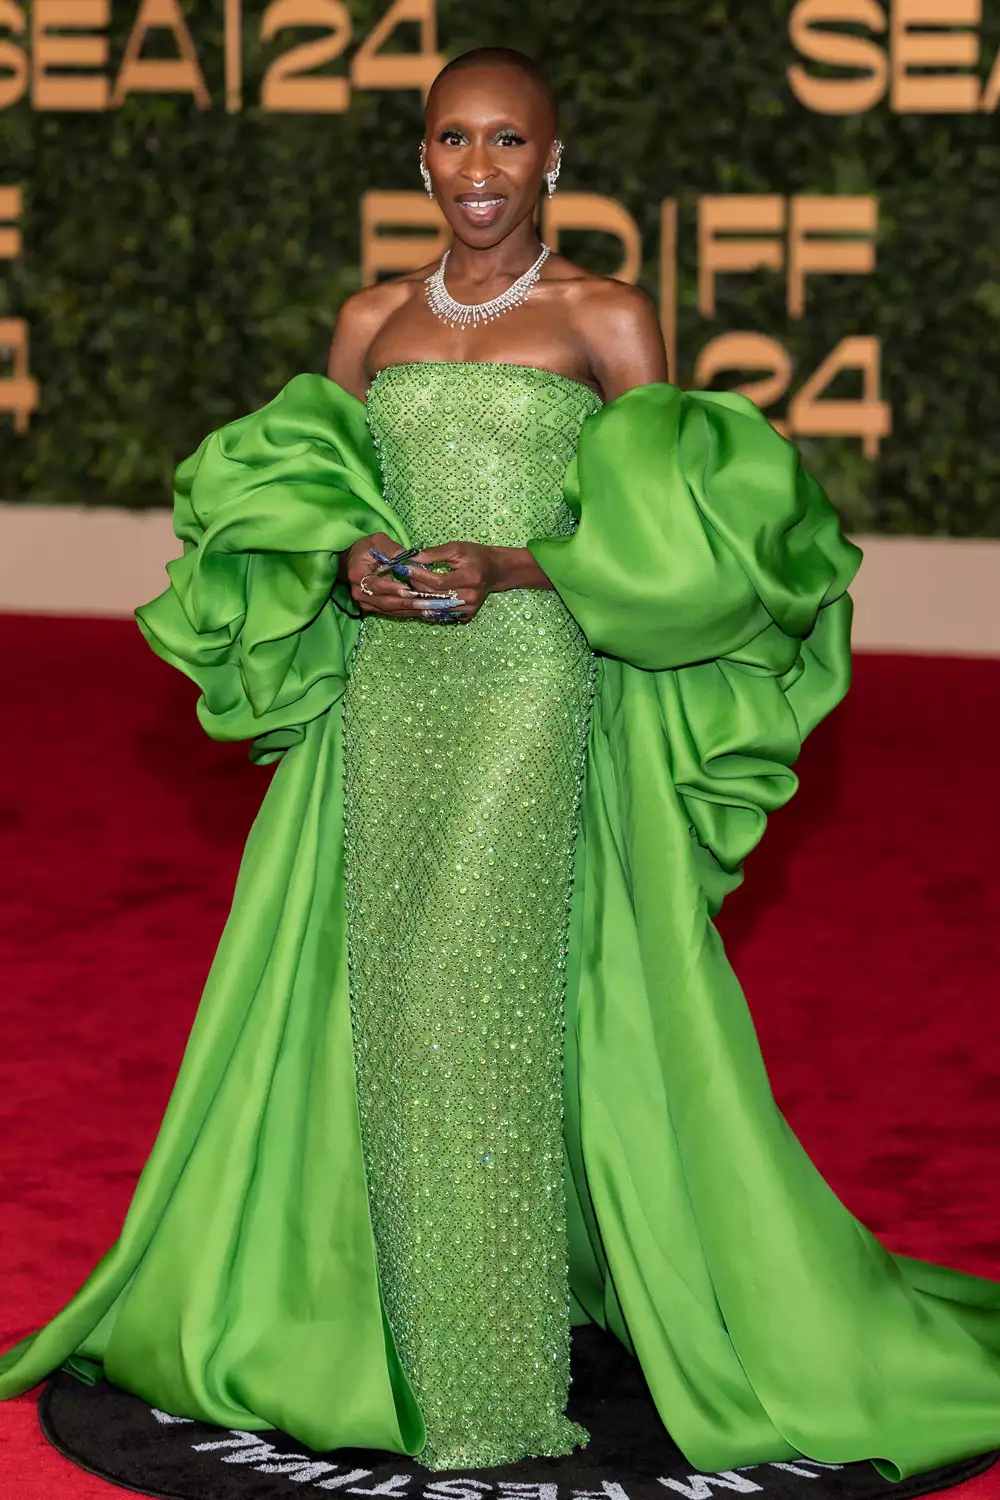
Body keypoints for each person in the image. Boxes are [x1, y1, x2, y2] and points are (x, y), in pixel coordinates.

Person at [2, 43, 1000, 1481]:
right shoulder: (369, 323)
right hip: (390, 698)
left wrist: (513, 566)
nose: (481, 171)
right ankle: (402, 1320)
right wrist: (354, 562)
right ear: (421, 161)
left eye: (509, 144)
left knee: (482, 989)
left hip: (535, 684)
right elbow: (315, 494)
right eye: (455, 142)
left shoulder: (607, 319)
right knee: (399, 1000)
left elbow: (670, 535)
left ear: (554, 160)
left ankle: (489, 1378)